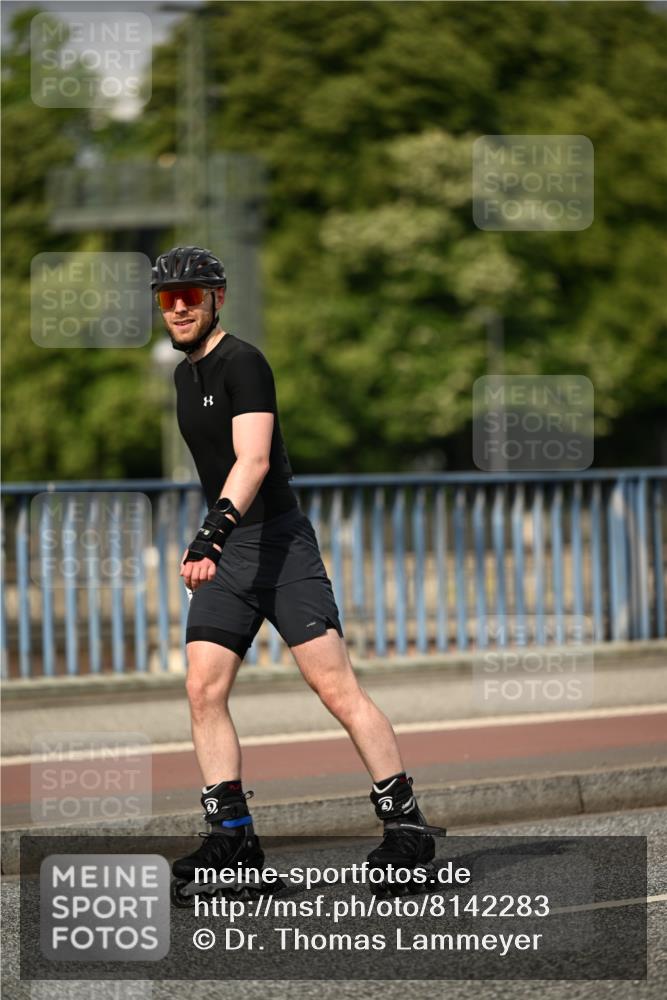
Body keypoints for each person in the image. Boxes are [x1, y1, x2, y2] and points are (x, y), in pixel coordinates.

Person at [152, 246, 439, 903]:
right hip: (229, 557)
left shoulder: (243, 363)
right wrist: (219, 542)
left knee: (335, 688)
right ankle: (234, 841)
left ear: (216, 297)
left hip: (278, 548)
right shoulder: (180, 375)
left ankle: (408, 832)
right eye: (167, 299)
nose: (178, 309)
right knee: (202, 689)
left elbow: (252, 461)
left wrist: (209, 535)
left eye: (190, 296)